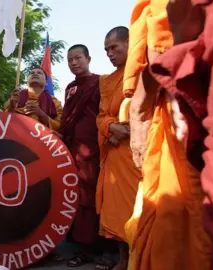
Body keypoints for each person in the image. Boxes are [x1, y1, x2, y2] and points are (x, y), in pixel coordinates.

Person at [123, 0, 211, 269]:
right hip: (193, 106)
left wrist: (139, 107)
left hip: (188, 110)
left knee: (177, 218)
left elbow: (162, 43)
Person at [59, 45, 108, 268]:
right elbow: (67, 119)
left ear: (88, 58)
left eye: (78, 58)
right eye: (70, 60)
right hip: (73, 148)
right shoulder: (69, 88)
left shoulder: (100, 83)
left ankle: (93, 246)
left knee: (91, 196)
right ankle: (80, 243)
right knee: (76, 196)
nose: (74, 63)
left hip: (93, 149)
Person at [95, 26, 140, 270]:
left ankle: (139, 259)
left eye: (114, 47)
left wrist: (128, 130)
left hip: (137, 152)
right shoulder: (108, 81)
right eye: (106, 50)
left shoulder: (144, 71)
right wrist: (112, 128)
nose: (110, 53)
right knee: (117, 212)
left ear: (129, 43)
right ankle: (123, 260)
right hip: (115, 154)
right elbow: (101, 116)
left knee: (138, 209)